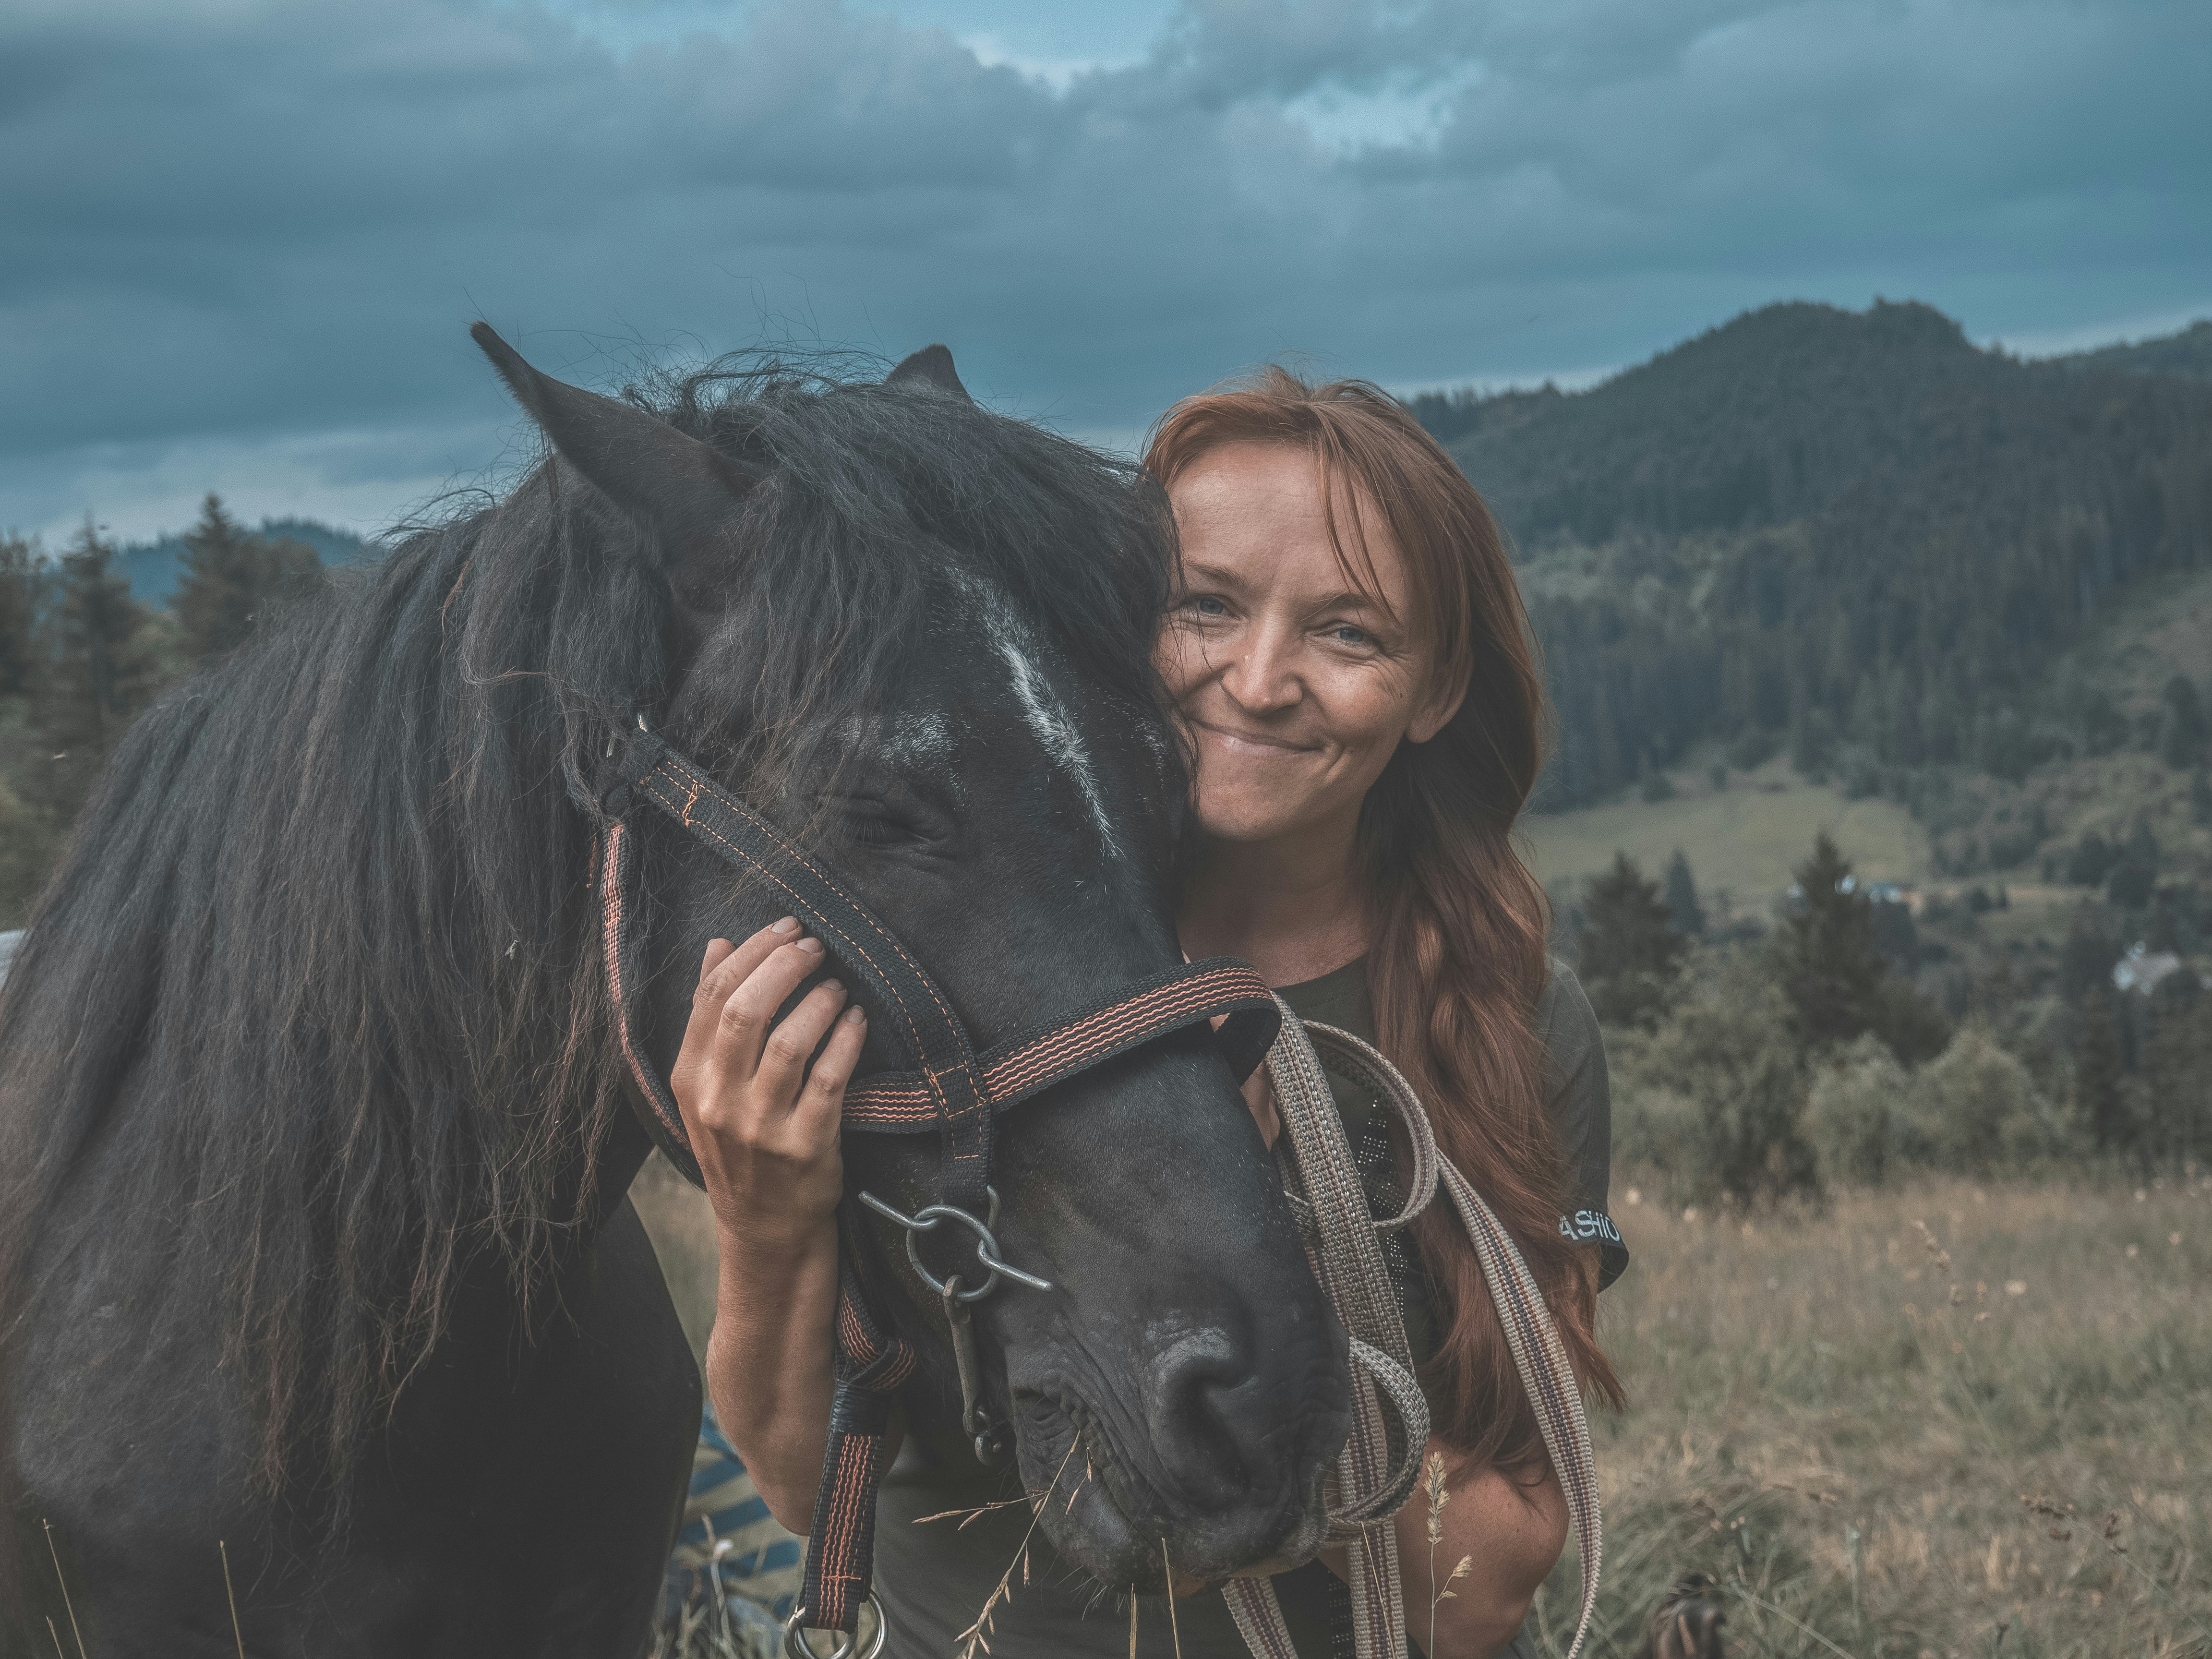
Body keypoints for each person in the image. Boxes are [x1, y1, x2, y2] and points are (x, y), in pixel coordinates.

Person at [670, 368, 1627, 1658]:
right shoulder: (943, 967)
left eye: (1349, 634)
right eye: (1206, 608)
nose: (1262, 677)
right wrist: (767, 1218)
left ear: (1438, 689)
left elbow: (1498, 1570)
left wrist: (1228, 1327)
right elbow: (801, 1484)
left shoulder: (1509, 1022)